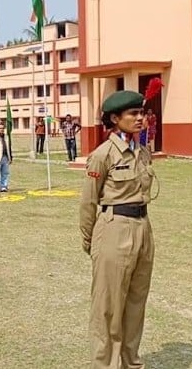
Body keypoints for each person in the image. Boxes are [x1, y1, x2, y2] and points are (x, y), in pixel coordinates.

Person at [80, 90, 156, 369]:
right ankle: (107, 365)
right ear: (115, 118)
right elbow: (88, 202)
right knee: (108, 308)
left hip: (142, 228)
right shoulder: (102, 156)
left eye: (142, 113)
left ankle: (130, 362)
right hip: (114, 229)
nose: (140, 118)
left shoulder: (141, 150)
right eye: (133, 114)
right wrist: (92, 243)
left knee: (136, 304)